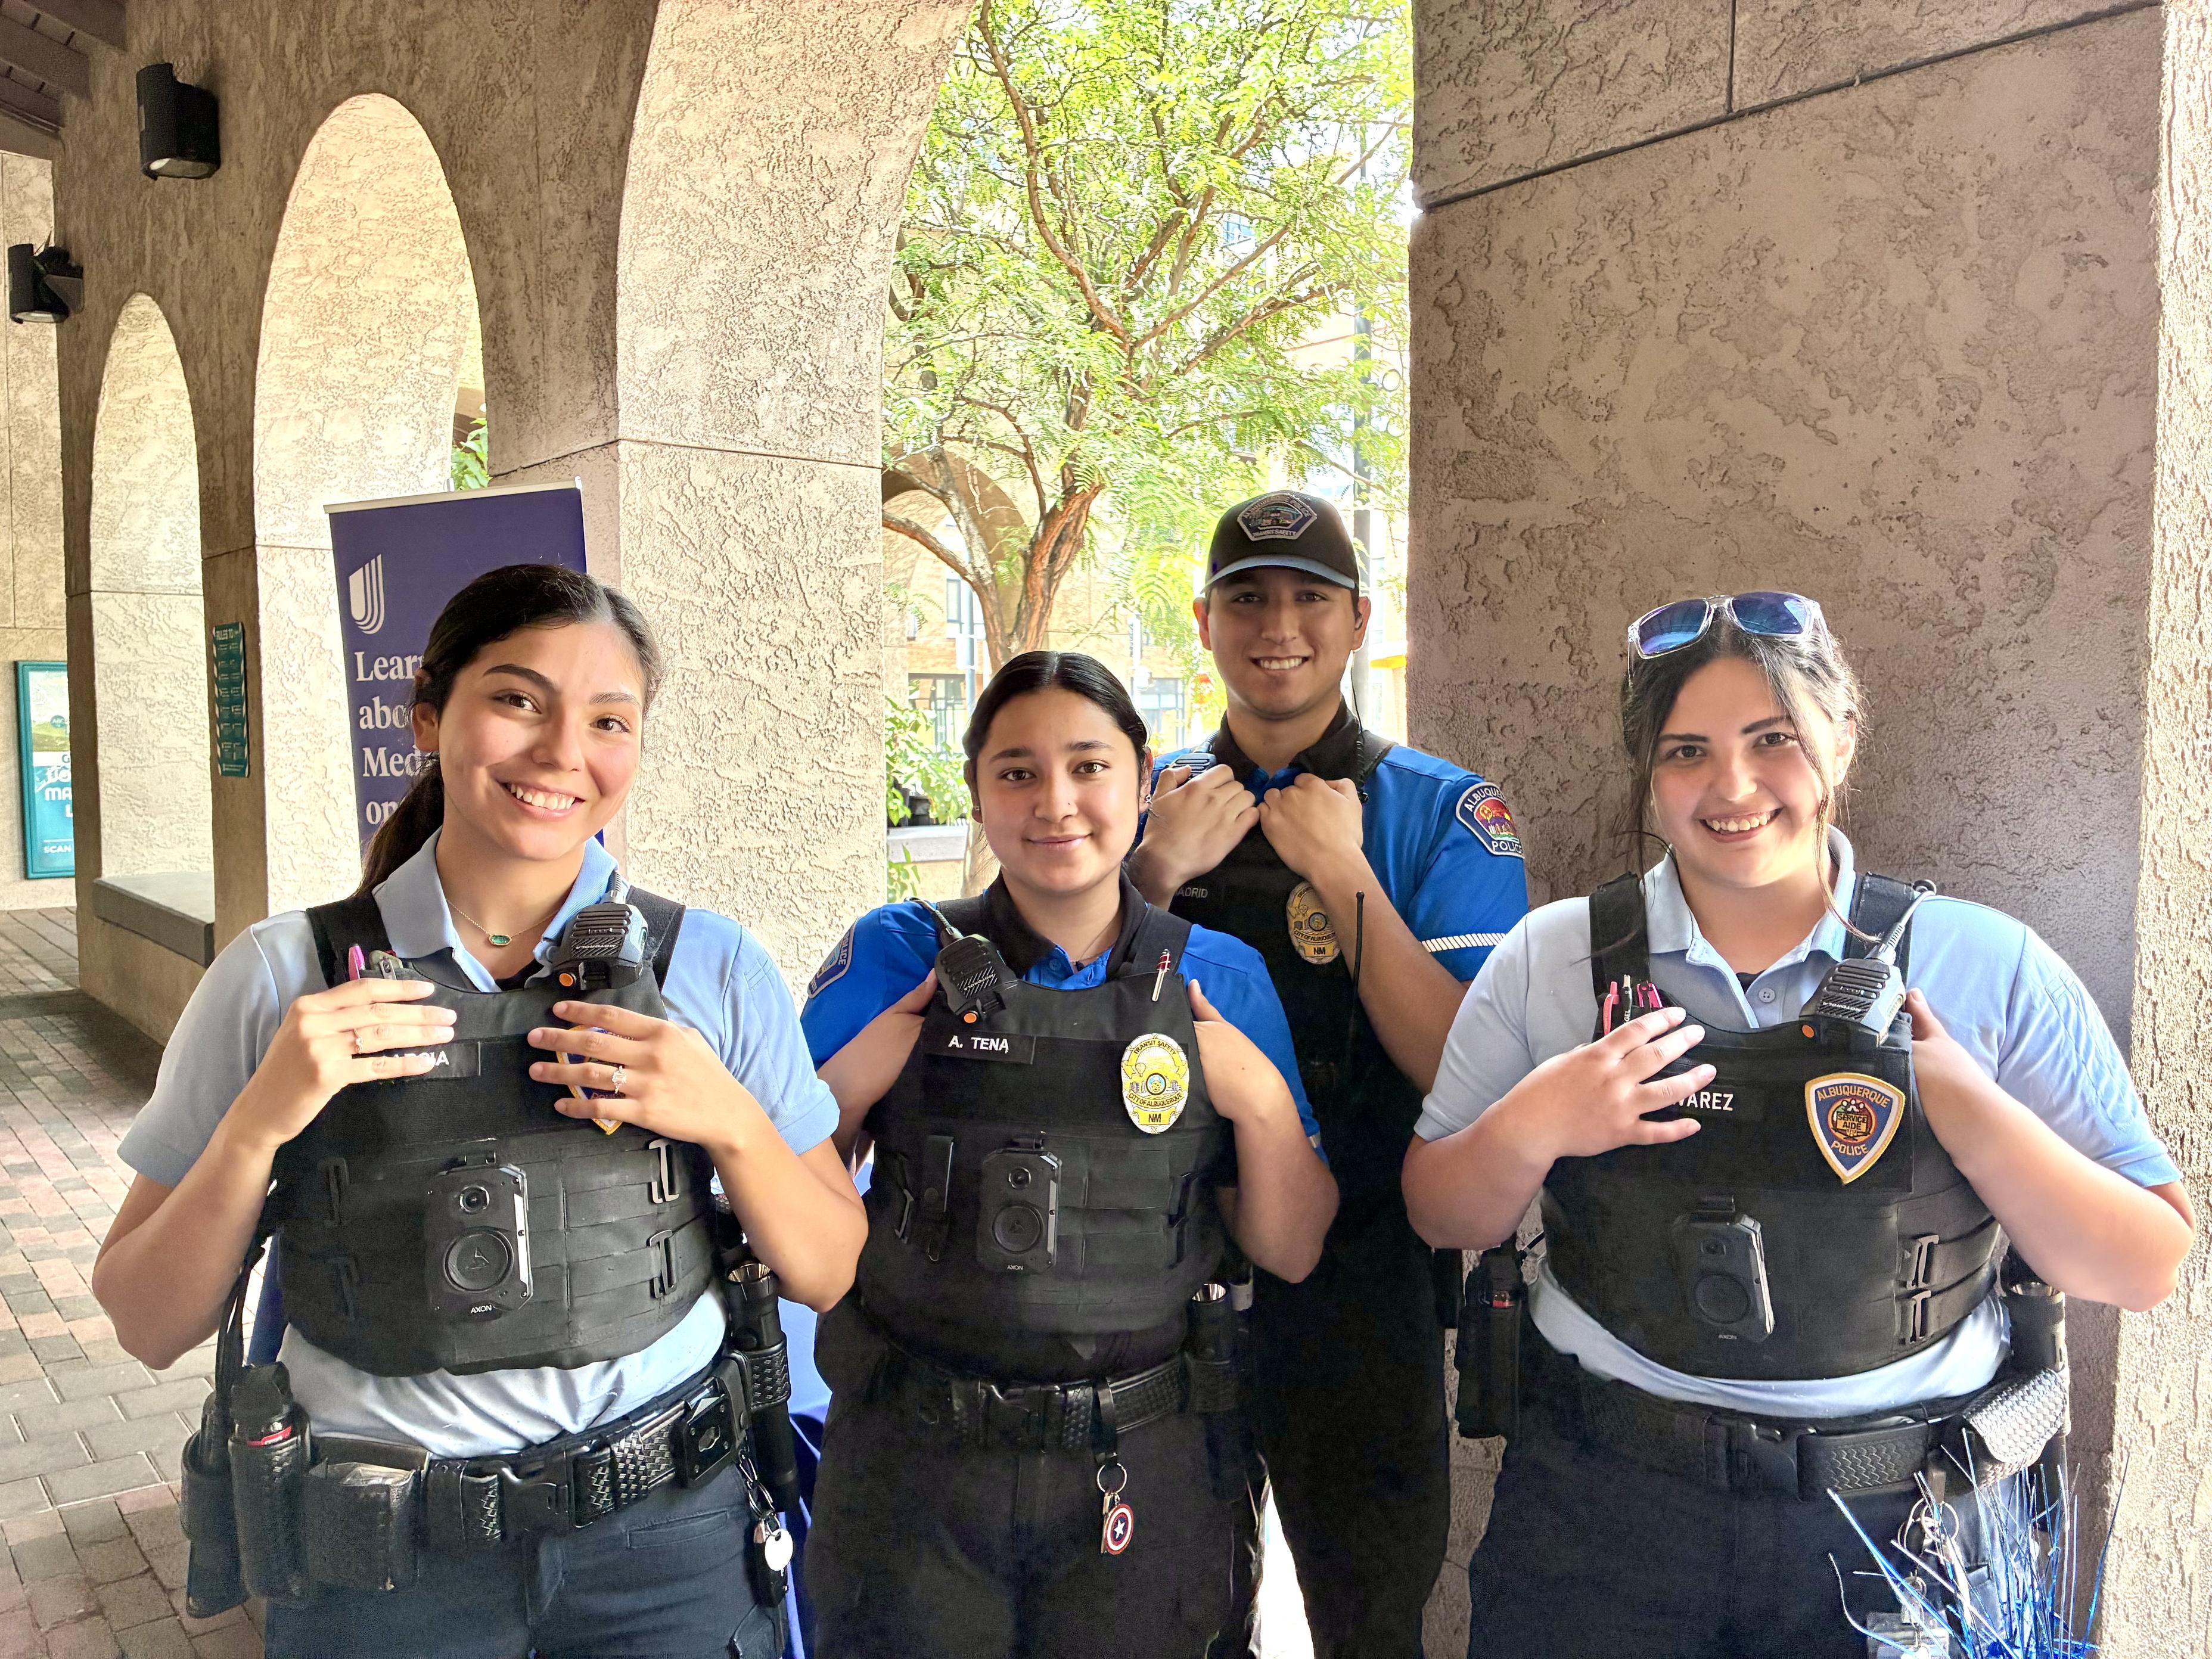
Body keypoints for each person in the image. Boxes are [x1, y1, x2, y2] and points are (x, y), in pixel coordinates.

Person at [92, 564, 866, 1659]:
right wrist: (260, 1123)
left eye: (609, 720)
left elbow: (832, 1269)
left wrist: (730, 1120)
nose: (562, 753)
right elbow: (145, 1319)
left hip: (667, 1553)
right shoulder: (284, 975)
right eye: (517, 700)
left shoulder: (712, 968)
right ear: (427, 716)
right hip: (388, 1566)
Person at [1402, 591, 2195, 1659]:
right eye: (1688, 752)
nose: (1731, 787)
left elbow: (2144, 1265)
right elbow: (1438, 1207)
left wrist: (1958, 1104)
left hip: (1897, 1533)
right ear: (1650, 771)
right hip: (1603, 1520)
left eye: (1772, 739)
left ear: (1843, 737)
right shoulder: (1553, 960)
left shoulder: (1986, 964)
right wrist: (1539, 1121)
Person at [799, 650, 1338, 1659]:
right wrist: (854, 1081)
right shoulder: (895, 953)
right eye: (1017, 771)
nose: (1057, 802)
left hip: (1145, 1466)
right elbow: (779, 1210)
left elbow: (1294, 1247)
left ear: (1143, 781)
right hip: (917, 1469)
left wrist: (1261, 1101)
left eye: (1089, 767)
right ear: (977, 792)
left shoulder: (1219, 976)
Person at [1129, 490, 1528, 1657]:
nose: (1278, 625)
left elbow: (1470, 1067)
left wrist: (1345, 882)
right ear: (1203, 620)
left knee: (1368, 1622)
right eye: (1247, 598)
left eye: (1310, 598)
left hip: (1361, 1293)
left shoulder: (1443, 810)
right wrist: (1149, 876)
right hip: (1156, 1288)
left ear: (1358, 620)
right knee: (1167, 1623)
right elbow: (1050, 1014)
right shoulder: (1140, 796)